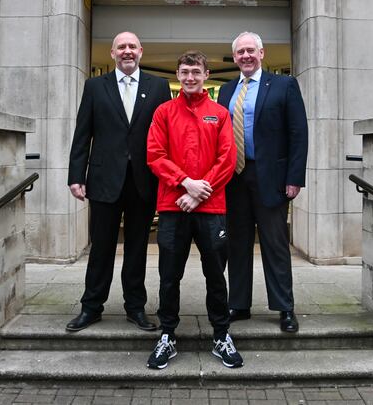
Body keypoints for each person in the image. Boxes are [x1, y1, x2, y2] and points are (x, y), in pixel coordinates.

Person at [66, 31, 171, 333]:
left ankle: (135, 307)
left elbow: (166, 135)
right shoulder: (95, 87)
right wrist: (76, 175)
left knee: (138, 248)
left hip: (144, 181)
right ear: (112, 53)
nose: (127, 51)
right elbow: (82, 134)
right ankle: (91, 307)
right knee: (101, 247)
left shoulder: (159, 87)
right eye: (121, 47)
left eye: (132, 47)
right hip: (102, 180)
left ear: (141, 51)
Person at [145, 51, 243, 370]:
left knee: (215, 275)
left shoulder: (219, 114)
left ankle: (221, 335)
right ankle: (168, 335)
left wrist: (199, 193)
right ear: (177, 74)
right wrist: (186, 183)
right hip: (173, 206)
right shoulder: (163, 112)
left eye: (195, 71)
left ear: (205, 74)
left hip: (212, 208)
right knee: (169, 276)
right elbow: (155, 155)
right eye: (184, 71)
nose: (190, 76)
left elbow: (227, 160)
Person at [217, 31, 308, 333]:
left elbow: (298, 133)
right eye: (240, 52)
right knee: (237, 243)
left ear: (261, 53)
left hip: (271, 177)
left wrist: (294, 178)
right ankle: (239, 304)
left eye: (250, 51)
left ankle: (284, 308)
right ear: (235, 57)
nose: (245, 56)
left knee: (275, 244)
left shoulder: (284, 85)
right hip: (235, 178)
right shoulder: (226, 90)